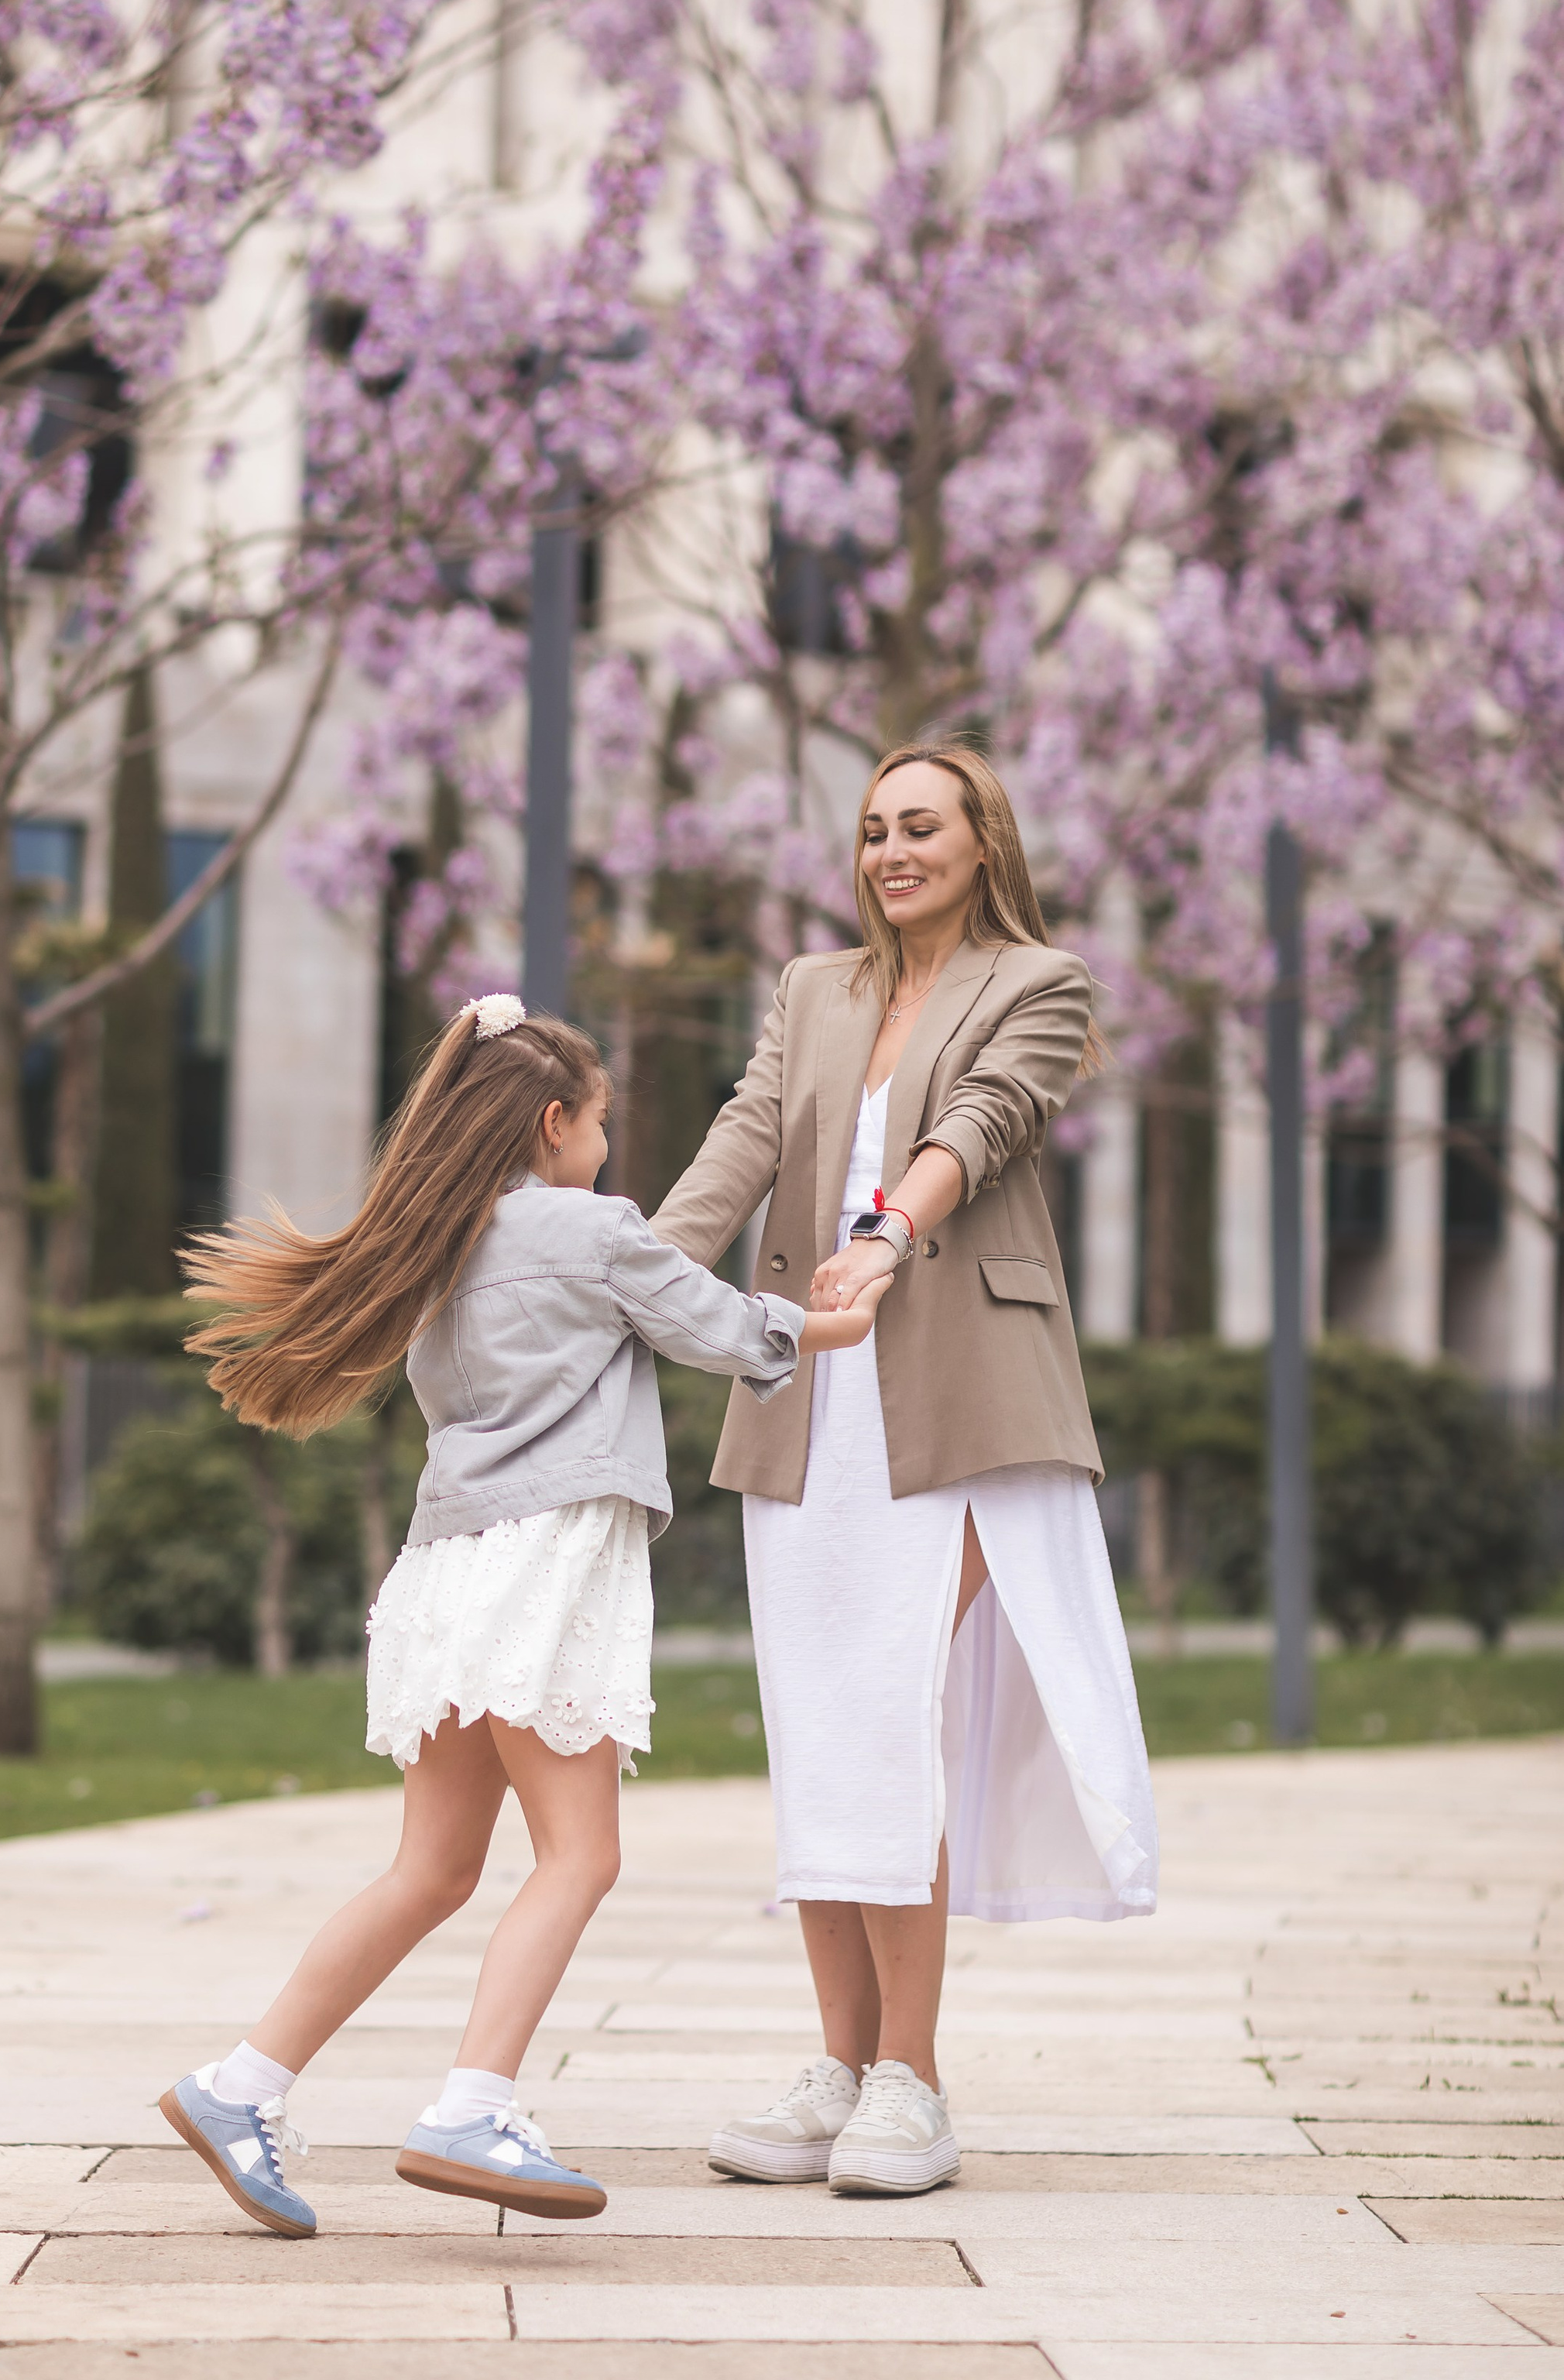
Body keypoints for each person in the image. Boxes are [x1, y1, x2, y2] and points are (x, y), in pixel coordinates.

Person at [157, 993, 890, 2240]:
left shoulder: (436, 1244)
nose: (610, 1146)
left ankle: (241, 2085)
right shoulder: (591, 1229)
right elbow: (714, 1324)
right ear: (555, 1123)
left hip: (448, 1571)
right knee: (581, 1855)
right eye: (602, 1122)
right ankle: (473, 2104)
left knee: (431, 1867)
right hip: (546, 1567)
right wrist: (848, 1313)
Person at [650, 744, 1158, 2200]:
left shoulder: (1039, 982)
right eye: (872, 829)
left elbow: (980, 1124)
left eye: (919, 825)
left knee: (886, 1705)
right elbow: (744, 1141)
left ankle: (911, 2080)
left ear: (982, 840)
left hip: (965, 1405)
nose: (890, 850)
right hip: (813, 1397)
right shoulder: (816, 989)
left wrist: (883, 1235)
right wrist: (631, 1276)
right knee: (821, 1718)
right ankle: (838, 2066)